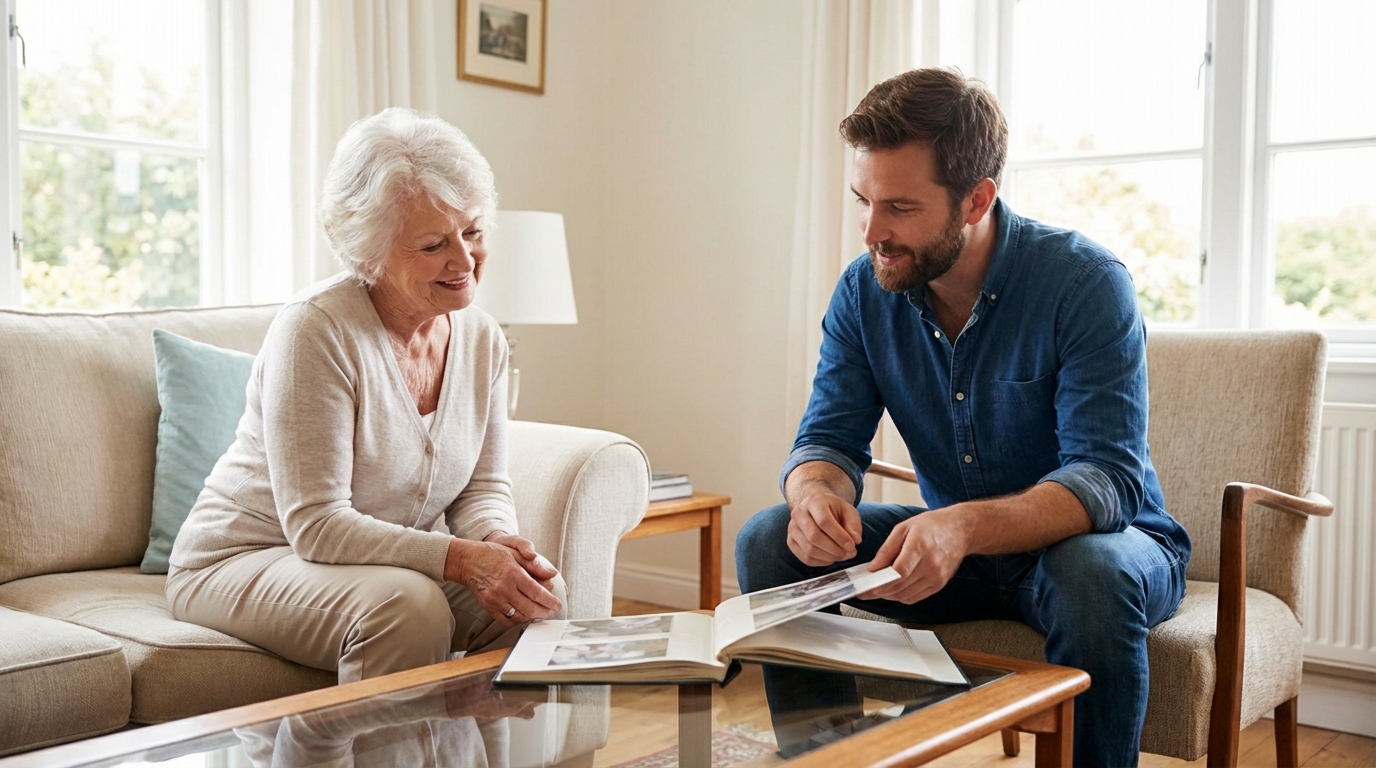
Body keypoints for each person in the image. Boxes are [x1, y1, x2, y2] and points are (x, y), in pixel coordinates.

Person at [735, 68, 1191, 767]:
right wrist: (815, 497)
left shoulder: (1084, 283)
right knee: (771, 541)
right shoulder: (866, 291)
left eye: (900, 208)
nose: (872, 232)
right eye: (863, 201)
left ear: (977, 198)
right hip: (963, 560)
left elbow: (1107, 481)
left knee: (1088, 575)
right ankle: (826, 757)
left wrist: (962, 525)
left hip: (1104, 550)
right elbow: (826, 439)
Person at [168, 107, 563, 684]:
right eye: (432, 245)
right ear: (369, 253)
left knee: (537, 603)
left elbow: (482, 486)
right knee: (407, 608)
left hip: (367, 565)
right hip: (244, 559)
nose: (464, 260)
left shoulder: (481, 337)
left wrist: (498, 543)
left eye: (473, 231)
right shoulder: (317, 330)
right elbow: (318, 525)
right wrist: (460, 559)